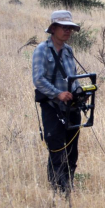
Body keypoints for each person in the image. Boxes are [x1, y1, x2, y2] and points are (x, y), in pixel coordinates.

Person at [33, 10, 81, 193]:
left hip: (71, 107)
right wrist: (58, 93)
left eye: (70, 28)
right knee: (56, 148)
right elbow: (38, 79)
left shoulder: (69, 51)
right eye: (64, 27)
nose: (68, 31)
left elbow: (73, 78)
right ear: (53, 28)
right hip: (52, 106)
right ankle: (57, 189)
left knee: (72, 150)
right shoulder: (41, 51)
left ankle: (68, 186)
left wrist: (79, 92)